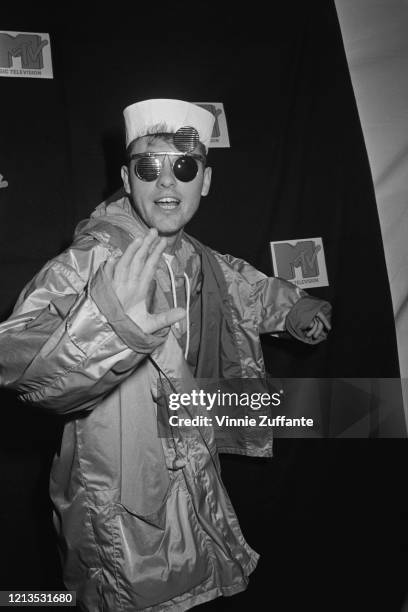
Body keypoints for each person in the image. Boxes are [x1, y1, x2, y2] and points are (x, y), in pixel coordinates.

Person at [0, 99, 331, 611]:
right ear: (128, 180)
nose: (166, 182)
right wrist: (113, 326)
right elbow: (17, 361)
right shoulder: (95, 258)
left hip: (189, 454)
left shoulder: (196, 256)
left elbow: (245, 287)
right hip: (120, 478)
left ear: (206, 180)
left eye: (184, 167)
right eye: (148, 168)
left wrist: (294, 307)